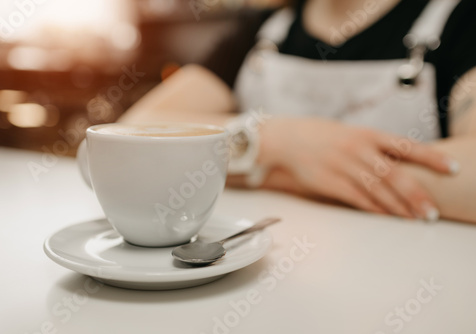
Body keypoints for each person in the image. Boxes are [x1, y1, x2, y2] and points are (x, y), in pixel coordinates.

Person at [118, 0, 476, 223]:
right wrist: (279, 141)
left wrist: (283, 170)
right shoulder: (261, 28)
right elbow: (133, 134)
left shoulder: (461, 20)